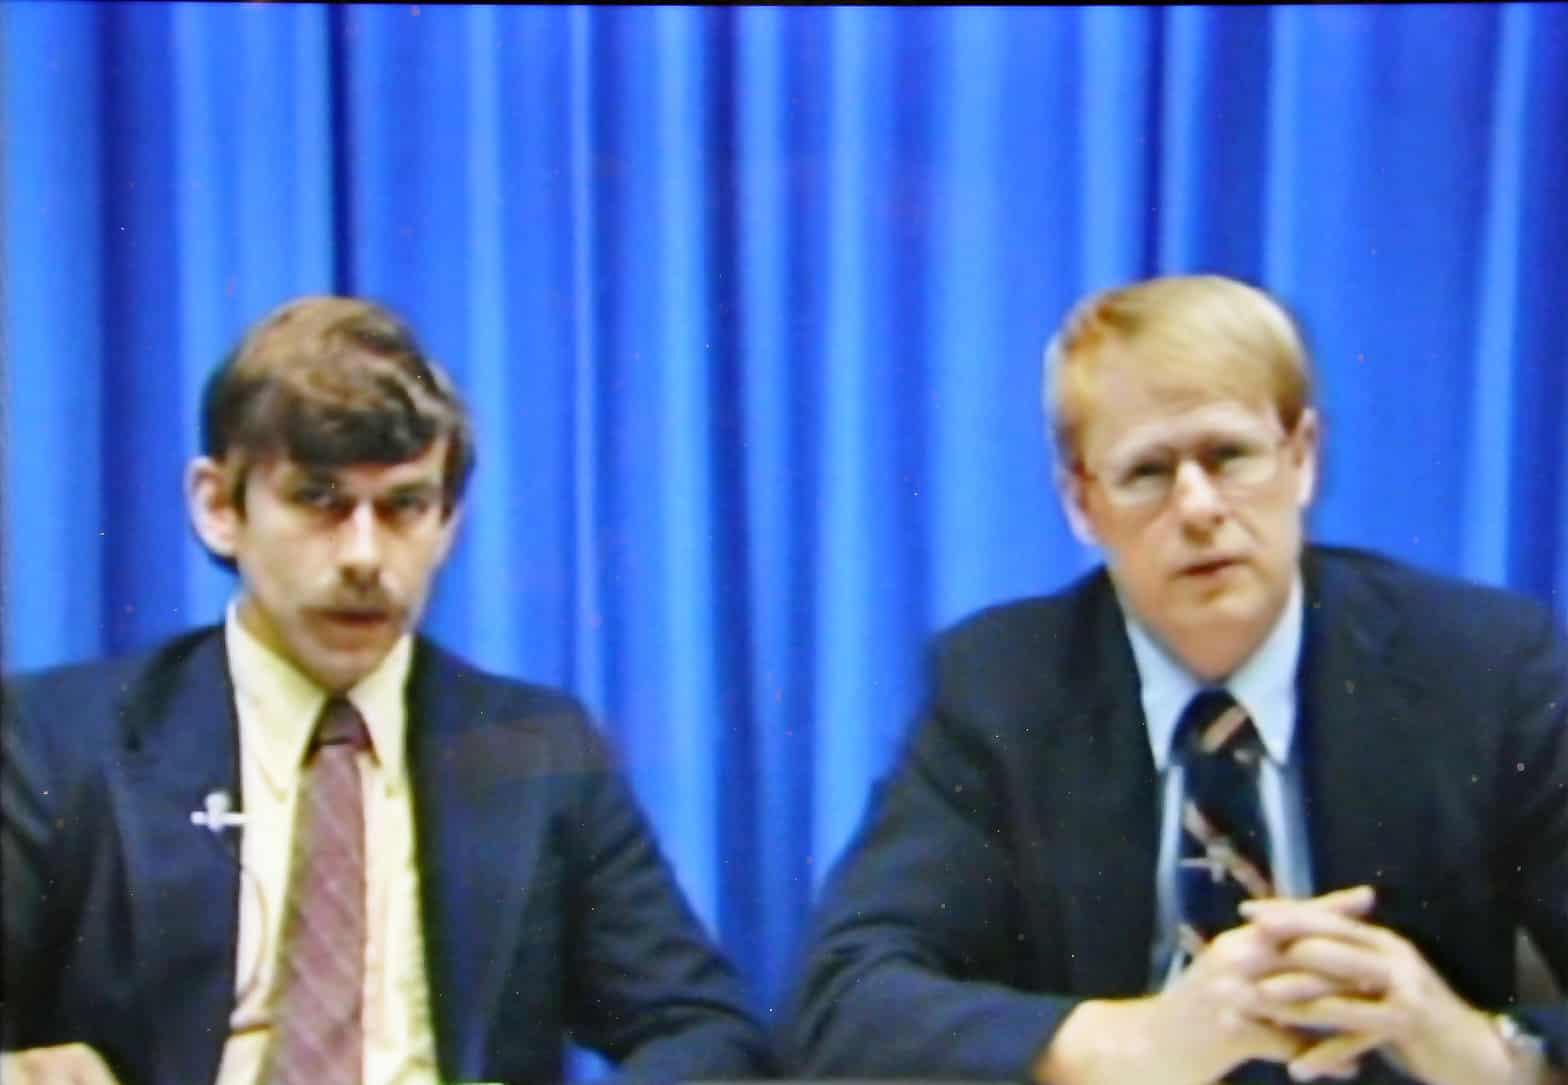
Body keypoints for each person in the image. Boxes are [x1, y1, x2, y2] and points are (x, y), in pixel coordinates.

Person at [786, 275, 1568, 1084]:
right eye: (1148, 473)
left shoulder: (1481, 667)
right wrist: (1141, 1042)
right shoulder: (1003, 689)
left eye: (1229, 456)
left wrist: (1481, 1048)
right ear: (1083, 503)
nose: (1198, 507)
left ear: (1300, 458)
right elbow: (844, 1001)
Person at [1, 296, 773, 1085]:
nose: (365, 556)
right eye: (318, 500)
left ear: (448, 523)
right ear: (218, 508)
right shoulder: (58, 741)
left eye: (405, 506)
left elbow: (703, 1029)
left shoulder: (532, 750)